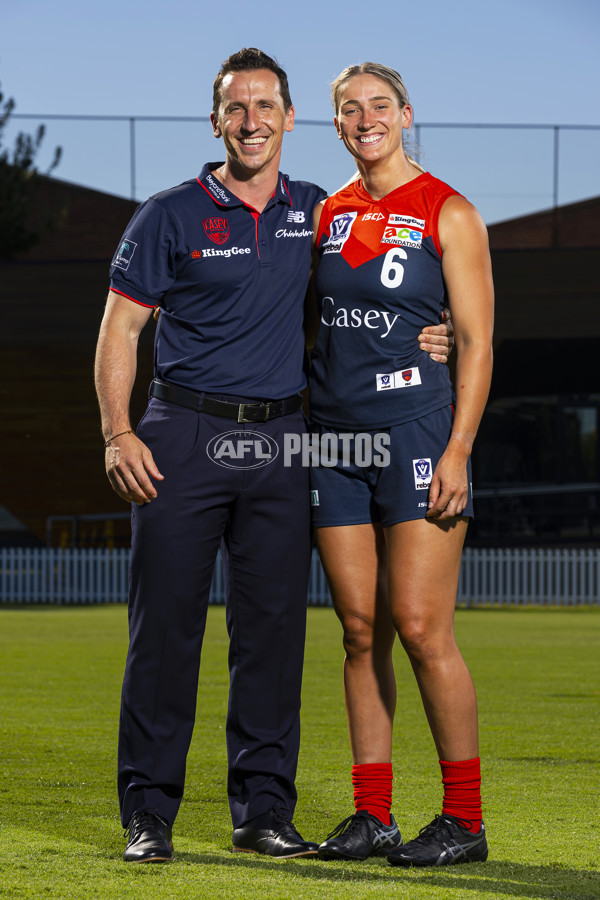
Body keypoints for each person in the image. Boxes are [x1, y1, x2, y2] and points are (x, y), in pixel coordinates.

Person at [94, 48, 453, 863]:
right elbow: (120, 329)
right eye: (235, 108)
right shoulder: (168, 214)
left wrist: (448, 329)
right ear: (217, 121)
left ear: (291, 120)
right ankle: (149, 815)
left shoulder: (321, 213)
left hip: (285, 441)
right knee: (165, 635)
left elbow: (387, 292)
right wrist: (118, 432)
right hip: (181, 435)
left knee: (272, 635)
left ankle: (263, 811)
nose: (251, 121)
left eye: (266, 106)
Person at [308, 63, 494, 867]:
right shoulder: (327, 214)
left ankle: (465, 821)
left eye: (379, 104)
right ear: (338, 125)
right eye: (350, 109)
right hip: (332, 441)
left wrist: (458, 448)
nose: (365, 118)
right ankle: (372, 815)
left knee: (421, 629)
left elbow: (479, 342)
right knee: (358, 632)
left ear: (406, 114)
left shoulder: (450, 210)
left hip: (419, 433)